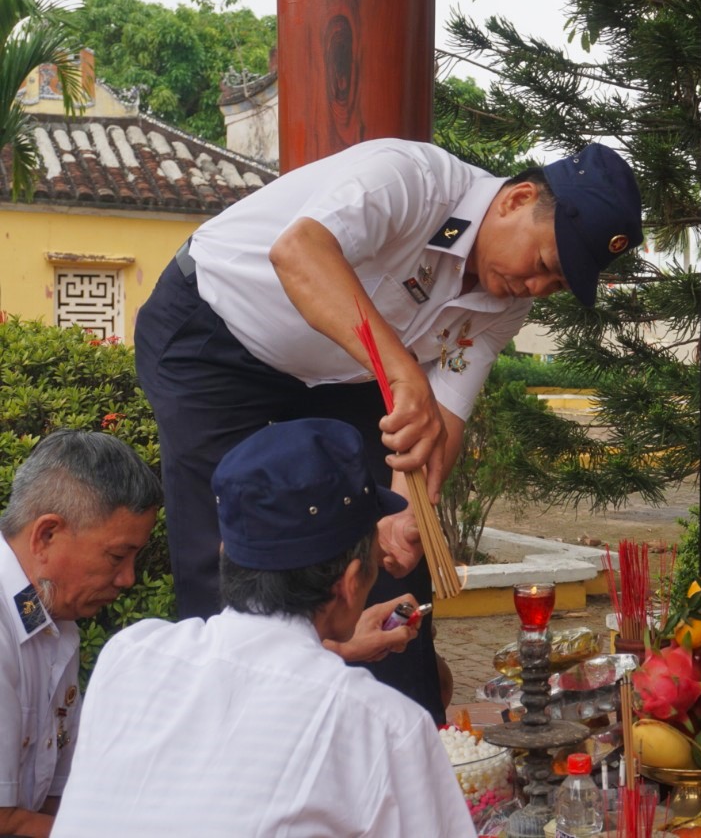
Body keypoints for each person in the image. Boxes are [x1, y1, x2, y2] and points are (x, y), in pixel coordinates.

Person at [134, 139, 643, 722]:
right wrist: (402, 371)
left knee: (391, 566)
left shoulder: (504, 303)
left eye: (555, 287)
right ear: (518, 199)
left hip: (340, 371)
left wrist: (405, 511)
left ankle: (409, 747)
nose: (535, 289)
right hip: (214, 336)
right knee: (232, 558)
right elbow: (298, 251)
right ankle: (232, 741)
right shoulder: (411, 180)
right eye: (546, 266)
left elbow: (441, 418)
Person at [51, 418, 475, 837]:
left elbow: (256, 676)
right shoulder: (384, 725)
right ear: (349, 583)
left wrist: (339, 651)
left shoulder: (131, 654)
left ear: (226, 553)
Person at [0, 430, 162, 838]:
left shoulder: (50, 621)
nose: (128, 578)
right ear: (46, 535)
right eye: (117, 556)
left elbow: (57, 800)